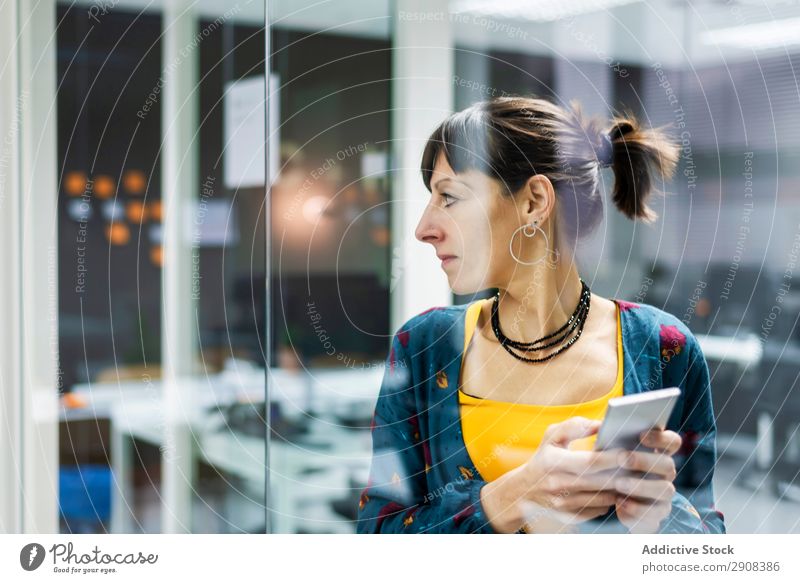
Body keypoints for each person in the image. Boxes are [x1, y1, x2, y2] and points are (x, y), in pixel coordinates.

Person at [356, 96, 726, 534]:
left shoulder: (665, 347)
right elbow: (375, 537)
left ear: (534, 201)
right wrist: (514, 497)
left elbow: (707, 544)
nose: (424, 228)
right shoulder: (423, 346)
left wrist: (659, 517)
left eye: (449, 198)